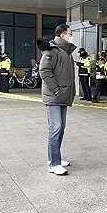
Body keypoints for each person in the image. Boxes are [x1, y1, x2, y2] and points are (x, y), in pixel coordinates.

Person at [38, 24, 76, 176]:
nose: (71, 36)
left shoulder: (66, 52)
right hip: (54, 96)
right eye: (69, 33)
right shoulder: (52, 50)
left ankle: (55, 158)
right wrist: (56, 89)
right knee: (55, 128)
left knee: (61, 128)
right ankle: (54, 164)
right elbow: (44, 71)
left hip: (63, 96)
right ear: (62, 35)